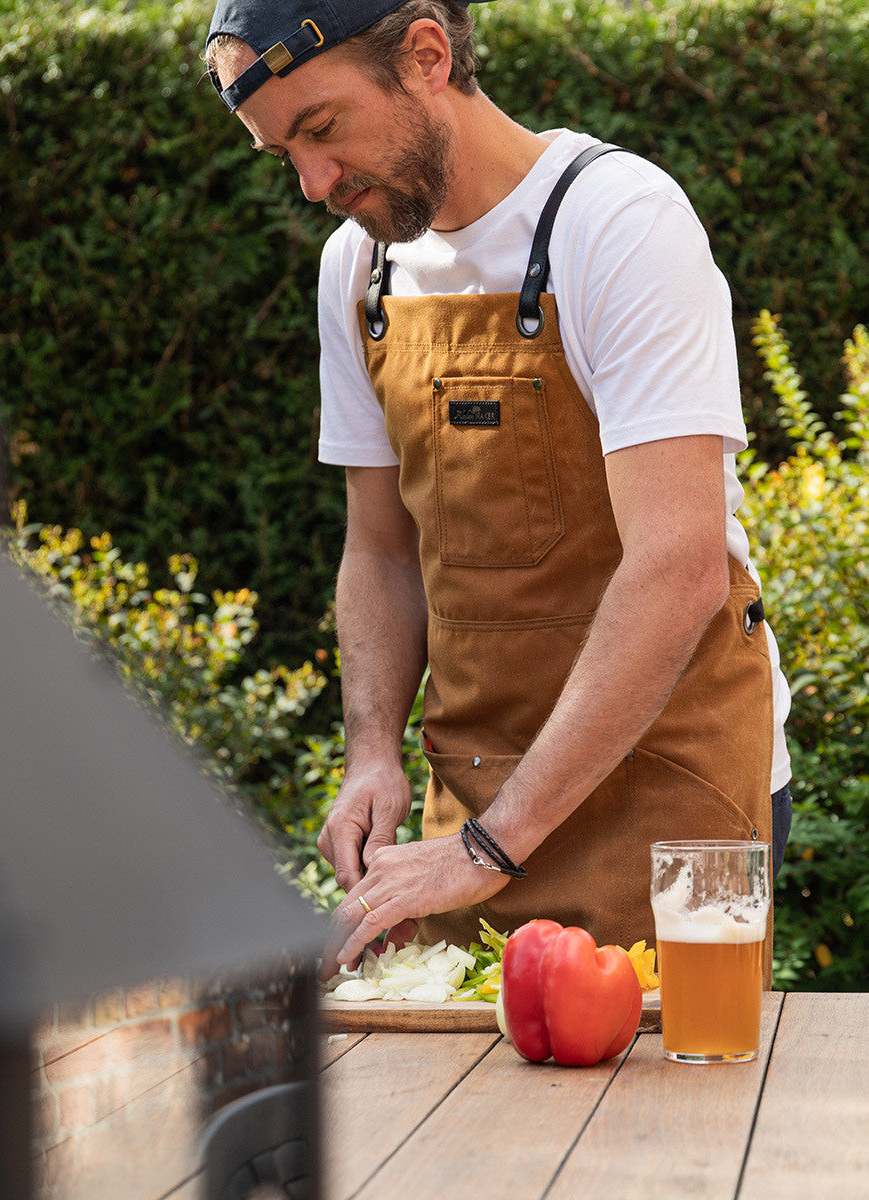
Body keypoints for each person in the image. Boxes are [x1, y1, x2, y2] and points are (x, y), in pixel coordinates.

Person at [205, 0, 792, 981]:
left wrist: (492, 844)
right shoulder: (359, 269)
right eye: (283, 156)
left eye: (321, 129)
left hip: (672, 800)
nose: (314, 185)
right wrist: (373, 757)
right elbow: (381, 552)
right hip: (468, 818)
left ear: (427, 54)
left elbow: (679, 568)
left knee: (677, 1117)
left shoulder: (617, 222)